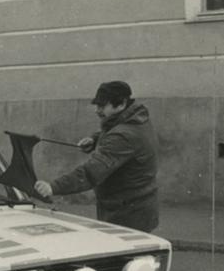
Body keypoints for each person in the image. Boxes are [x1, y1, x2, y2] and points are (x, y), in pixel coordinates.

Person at [34, 80, 159, 233]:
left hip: (128, 216)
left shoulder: (123, 136)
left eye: (102, 106)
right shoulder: (135, 119)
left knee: (123, 255)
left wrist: (53, 187)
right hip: (136, 208)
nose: (97, 111)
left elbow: (91, 173)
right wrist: (95, 140)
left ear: (120, 104)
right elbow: (114, 132)